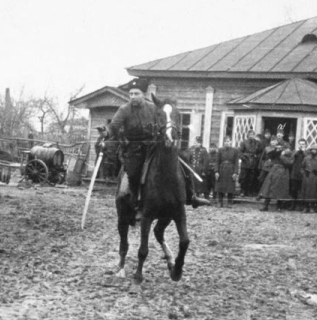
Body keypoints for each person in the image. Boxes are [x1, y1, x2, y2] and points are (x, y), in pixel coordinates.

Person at [98, 78, 209, 218]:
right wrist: (106, 132)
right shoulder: (124, 110)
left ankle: (191, 195)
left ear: (143, 94)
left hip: (154, 147)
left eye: (136, 93)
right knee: (133, 173)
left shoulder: (153, 108)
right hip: (134, 151)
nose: (133, 96)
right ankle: (137, 203)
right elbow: (113, 127)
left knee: (182, 158)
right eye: (131, 94)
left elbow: (163, 123)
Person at [259, 140, 293, 212]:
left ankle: (279, 206)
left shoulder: (289, 154)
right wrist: (276, 150)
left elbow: (289, 163)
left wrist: (282, 155)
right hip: (274, 171)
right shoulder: (277, 152)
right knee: (269, 188)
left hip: (283, 172)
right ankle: (266, 205)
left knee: (280, 189)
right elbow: (270, 156)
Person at [214, 136, 239, 208]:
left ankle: (230, 202)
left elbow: (236, 162)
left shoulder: (235, 151)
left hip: (231, 170)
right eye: (225, 141)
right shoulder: (220, 150)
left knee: (230, 187)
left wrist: (235, 172)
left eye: (228, 141)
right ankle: (220, 202)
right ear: (223, 142)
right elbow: (217, 161)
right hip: (222, 169)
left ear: (231, 142)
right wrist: (216, 171)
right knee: (220, 186)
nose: (226, 143)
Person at [238, 130, 263, 197]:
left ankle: (249, 191)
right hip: (245, 163)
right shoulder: (244, 142)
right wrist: (244, 158)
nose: (251, 135)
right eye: (250, 134)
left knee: (251, 178)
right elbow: (239, 152)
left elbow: (261, 153)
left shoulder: (258, 143)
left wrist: (257, 157)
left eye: (253, 134)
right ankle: (242, 191)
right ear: (248, 135)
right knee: (243, 177)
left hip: (253, 163)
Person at [300, 146, 317, 213]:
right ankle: (306, 207)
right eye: (312, 150)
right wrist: (304, 174)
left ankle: (312, 207)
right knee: (306, 192)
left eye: (315, 150)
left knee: (314, 193)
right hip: (307, 177)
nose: (313, 151)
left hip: (315, 178)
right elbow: (302, 168)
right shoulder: (306, 159)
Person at [289, 139, 307, 210]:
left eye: (303, 144)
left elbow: (307, 158)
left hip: (303, 174)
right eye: (300, 144)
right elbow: (291, 158)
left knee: (302, 190)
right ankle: (293, 205)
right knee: (294, 190)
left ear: (305, 145)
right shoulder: (294, 151)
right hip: (294, 173)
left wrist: (303, 151)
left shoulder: (307, 152)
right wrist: (297, 151)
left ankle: (300, 206)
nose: (301, 145)